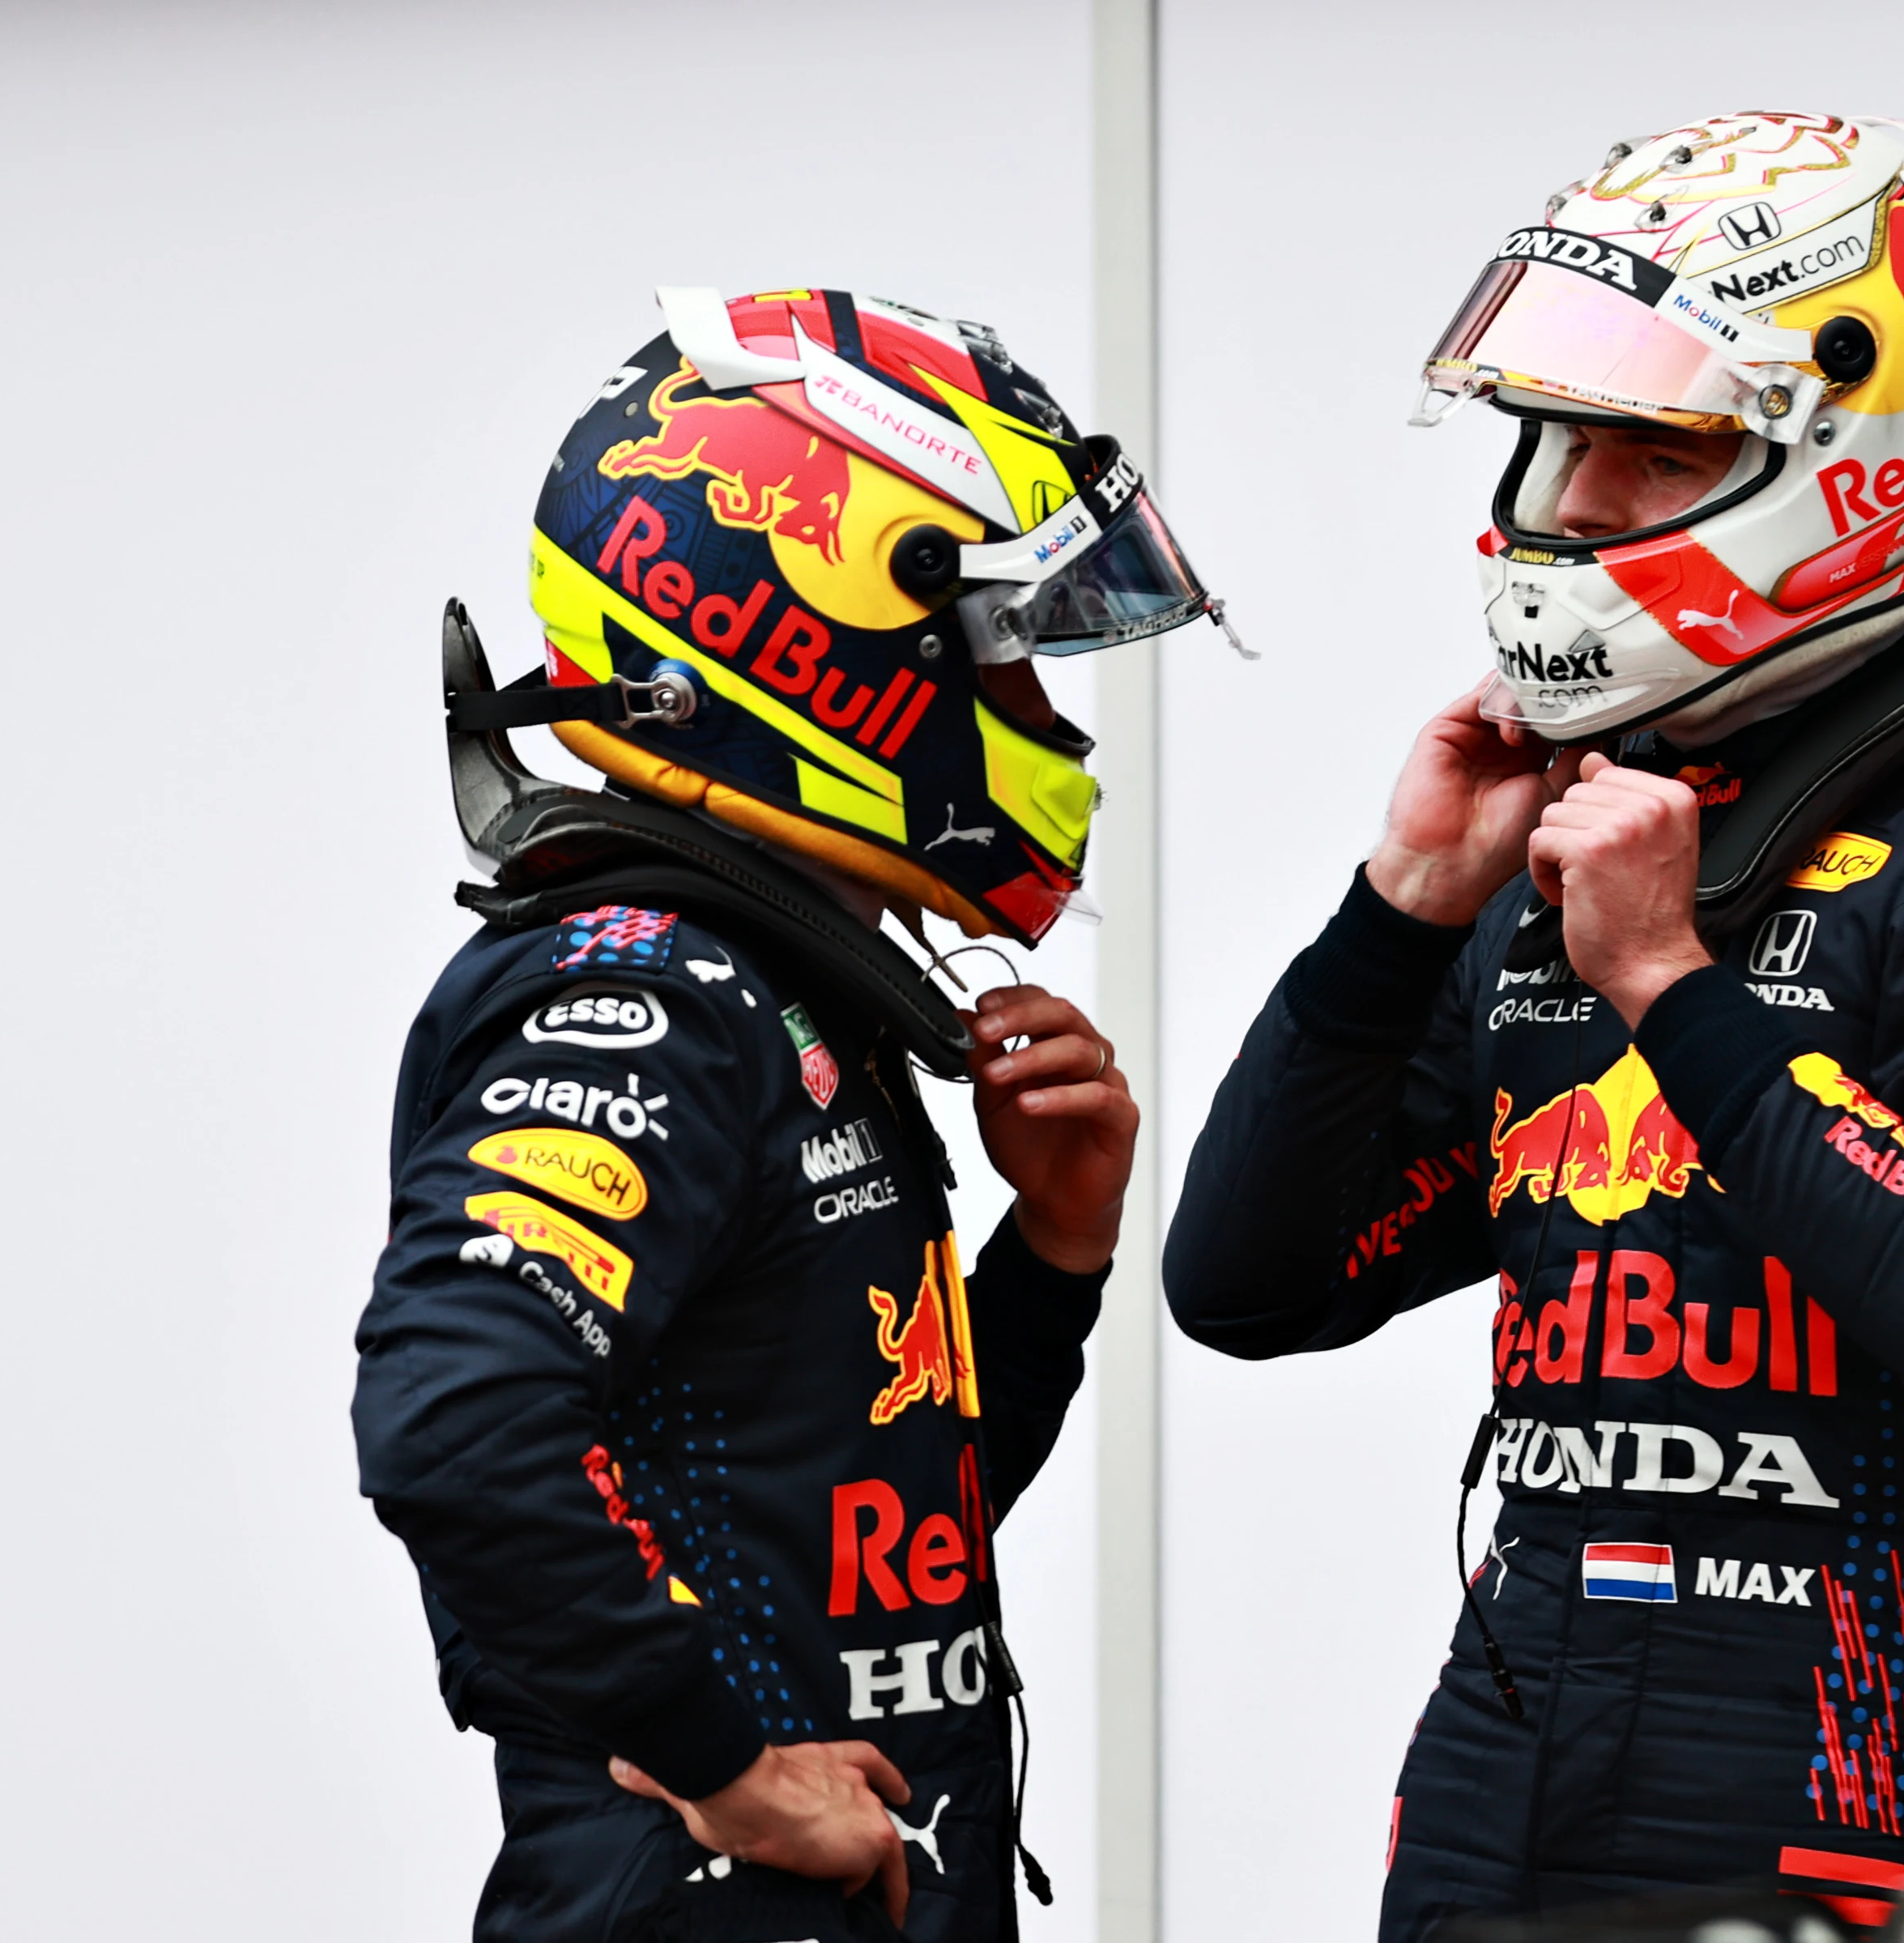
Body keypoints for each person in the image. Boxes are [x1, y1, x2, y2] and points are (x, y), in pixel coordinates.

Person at [1162, 112, 1904, 1934]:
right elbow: (1247, 1283)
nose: (1568, 507)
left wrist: (1667, 983)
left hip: (1828, 1776)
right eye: (1559, 440)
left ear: (1865, 463)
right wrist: (1397, 909)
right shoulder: (1591, 834)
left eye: (1649, 450)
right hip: (1497, 1762)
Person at [353, 287, 1236, 1942]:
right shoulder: (650, 993)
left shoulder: (778, 982)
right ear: (818, 634)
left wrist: (1048, 1253)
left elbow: (882, 1529)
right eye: (1006, 653)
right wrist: (722, 1756)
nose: (1042, 718)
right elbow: (453, 1414)